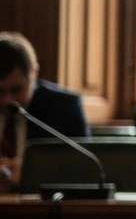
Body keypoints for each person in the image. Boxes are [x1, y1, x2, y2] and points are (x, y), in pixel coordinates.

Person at [0, 32, 90, 189]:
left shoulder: (64, 107)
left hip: (41, 206)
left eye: (16, 90)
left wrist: (33, 174)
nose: (7, 100)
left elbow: (84, 169)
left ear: (34, 74)